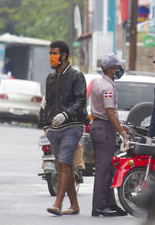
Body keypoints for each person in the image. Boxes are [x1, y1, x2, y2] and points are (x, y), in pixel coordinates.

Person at [43, 40, 88, 216]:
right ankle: (75, 205)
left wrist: (66, 115)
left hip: (72, 125)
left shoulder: (76, 76)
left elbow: (81, 100)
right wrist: (46, 124)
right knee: (65, 165)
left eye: (54, 53)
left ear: (63, 55)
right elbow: (47, 102)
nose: (52, 57)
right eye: (50, 54)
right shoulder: (50, 78)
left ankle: (58, 203)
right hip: (54, 128)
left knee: (63, 162)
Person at [89, 53, 129, 217]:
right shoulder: (106, 88)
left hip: (100, 127)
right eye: (118, 67)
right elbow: (110, 112)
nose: (120, 69)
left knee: (109, 169)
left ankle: (111, 203)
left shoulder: (100, 82)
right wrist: (121, 131)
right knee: (103, 170)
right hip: (104, 128)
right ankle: (98, 206)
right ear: (112, 69)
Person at [39, 95, 85, 183]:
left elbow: (42, 112)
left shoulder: (48, 95)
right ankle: (78, 168)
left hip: (50, 129)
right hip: (62, 129)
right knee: (78, 147)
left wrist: (45, 127)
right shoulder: (69, 95)